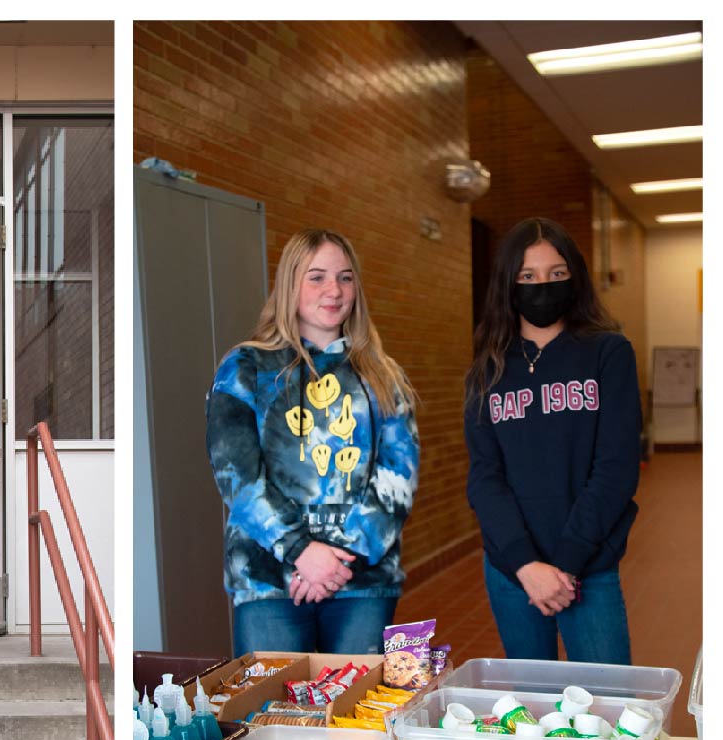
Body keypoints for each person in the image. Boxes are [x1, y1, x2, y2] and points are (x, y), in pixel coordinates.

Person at [206, 229, 419, 655]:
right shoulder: (245, 367)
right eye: (317, 277)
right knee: (270, 718)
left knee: (356, 717)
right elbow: (236, 474)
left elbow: (399, 474)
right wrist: (301, 551)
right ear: (290, 285)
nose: (334, 291)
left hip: (362, 581)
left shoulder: (381, 373)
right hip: (268, 580)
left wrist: (337, 561)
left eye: (345, 277)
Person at [465, 218, 640, 665]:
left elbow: (616, 468)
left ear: (574, 277)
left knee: (609, 709)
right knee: (532, 708)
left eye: (556, 273)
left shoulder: (608, 353)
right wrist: (526, 564)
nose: (543, 286)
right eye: (528, 276)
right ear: (509, 284)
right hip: (512, 569)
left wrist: (565, 566)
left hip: (587, 567)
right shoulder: (487, 369)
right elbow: (485, 476)